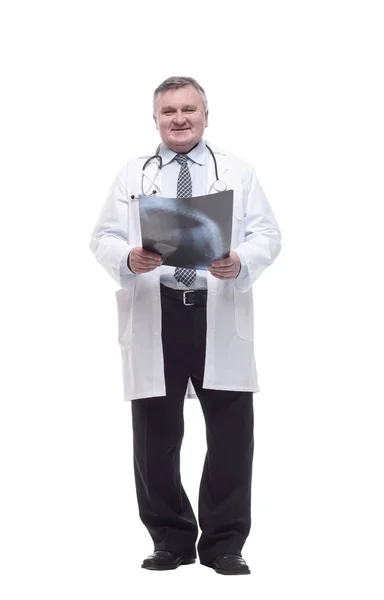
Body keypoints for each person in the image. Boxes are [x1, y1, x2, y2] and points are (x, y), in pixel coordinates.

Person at [89, 76, 282, 575]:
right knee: (156, 433)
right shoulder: (133, 175)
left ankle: (223, 544)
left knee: (231, 433)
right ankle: (170, 538)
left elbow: (267, 233)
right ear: (155, 119)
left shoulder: (238, 171)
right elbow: (103, 237)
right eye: (169, 111)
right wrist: (129, 258)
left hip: (216, 308)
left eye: (189, 109)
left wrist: (240, 262)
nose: (180, 119)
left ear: (205, 115)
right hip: (158, 311)